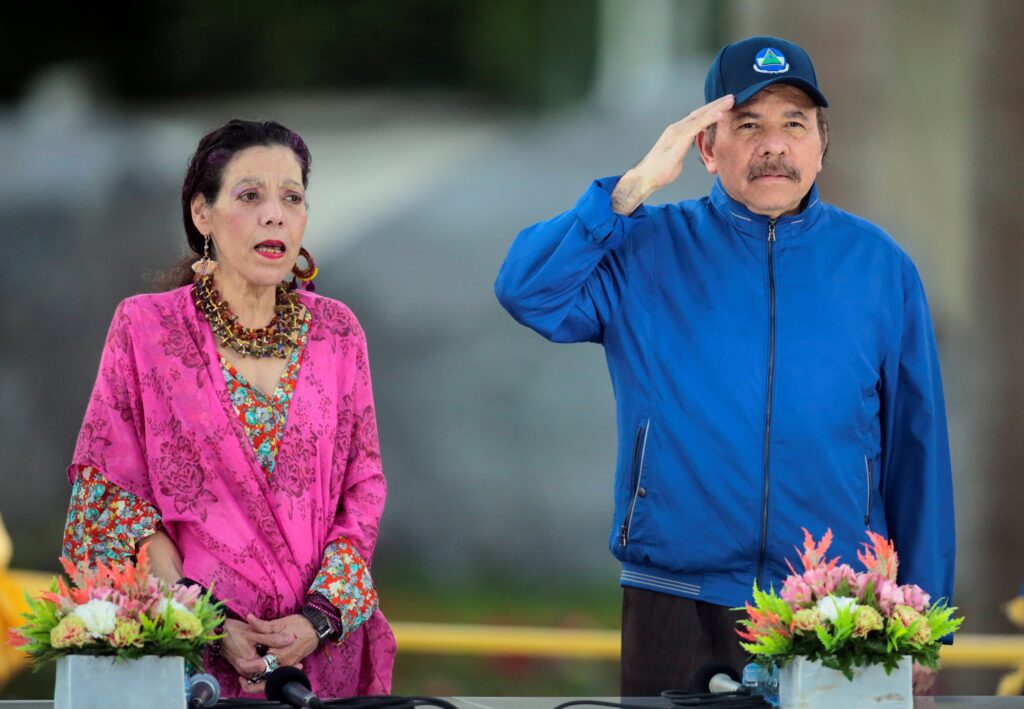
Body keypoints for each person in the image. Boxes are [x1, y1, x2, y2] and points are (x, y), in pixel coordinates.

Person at [495, 36, 955, 695]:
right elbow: (526, 290)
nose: (774, 145)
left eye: (794, 124)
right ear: (707, 148)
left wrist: (925, 617)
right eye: (748, 124)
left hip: (837, 609)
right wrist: (628, 192)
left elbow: (918, 448)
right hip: (674, 597)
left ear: (822, 142)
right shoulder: (643, 246)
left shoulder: (880, 267)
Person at [62, 119, 395, 697]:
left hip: (316, 661)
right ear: (202, 214)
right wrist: (211, 623)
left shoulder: (338, 333)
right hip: (193, 658)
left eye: (292, 198)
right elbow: (114, 500)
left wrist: (317, 619)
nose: (275, 215)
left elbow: (363, 492)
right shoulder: (146, 328)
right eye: (249, 196)